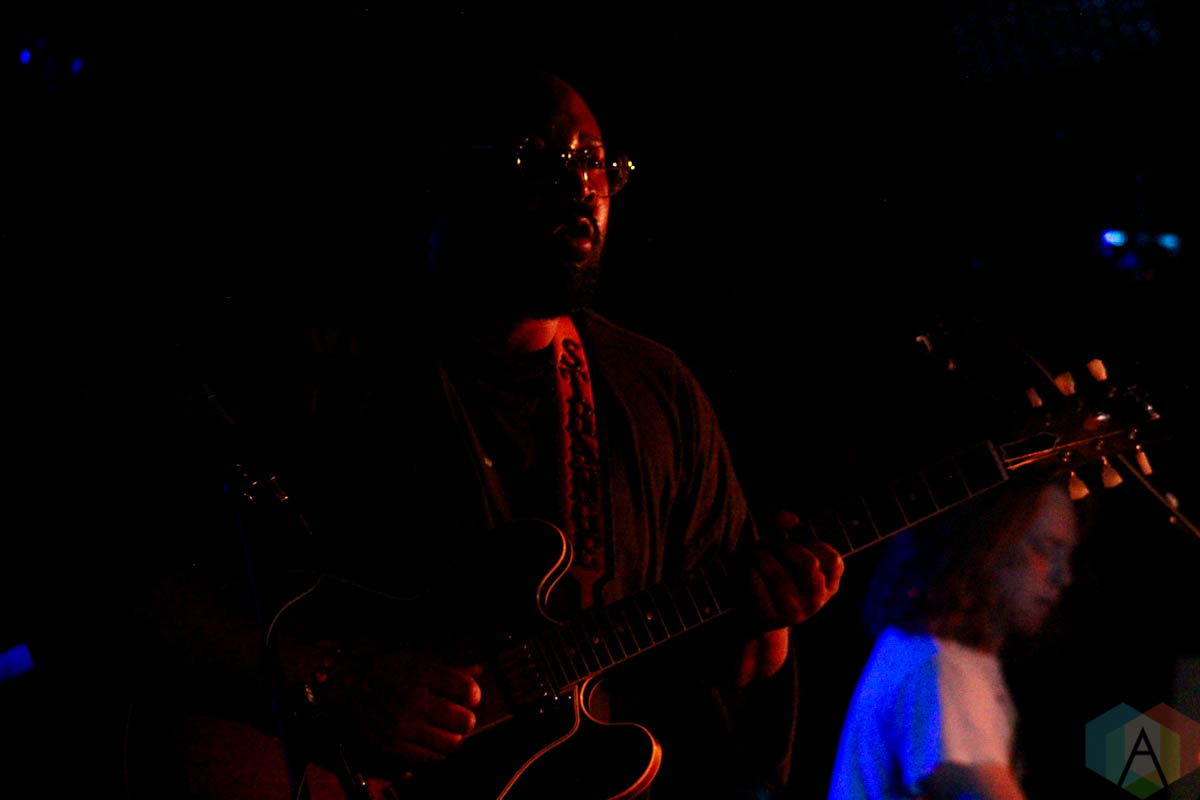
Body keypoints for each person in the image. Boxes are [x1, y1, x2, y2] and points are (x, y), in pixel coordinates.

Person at [141, 71, 843, 799]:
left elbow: (730, 671)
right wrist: (333, 677)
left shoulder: (657, 392)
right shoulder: (313, 366)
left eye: (596, 163)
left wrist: (769, 618)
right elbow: (136, 590)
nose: (582, 190)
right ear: (448, 177)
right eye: (542, 159)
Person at [826, 475, 1080, 800]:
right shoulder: (941, 666)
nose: (1063, 576)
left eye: (1067, 555)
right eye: (1044, 549)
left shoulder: (950, 656)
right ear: (986, 541)